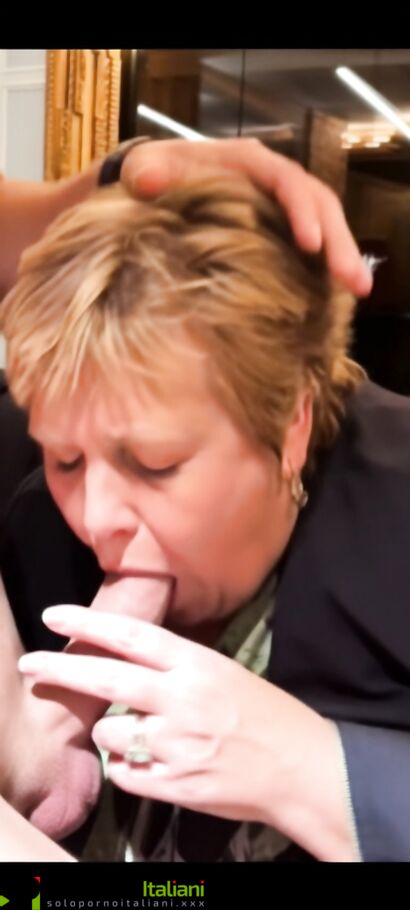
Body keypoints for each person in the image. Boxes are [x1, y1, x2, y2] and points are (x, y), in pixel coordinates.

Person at [4, 174, 410, 863]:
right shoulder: (38, 521)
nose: (95, 518)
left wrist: (319, 770)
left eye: (155, 462)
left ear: (291, 427)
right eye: (66, 459)